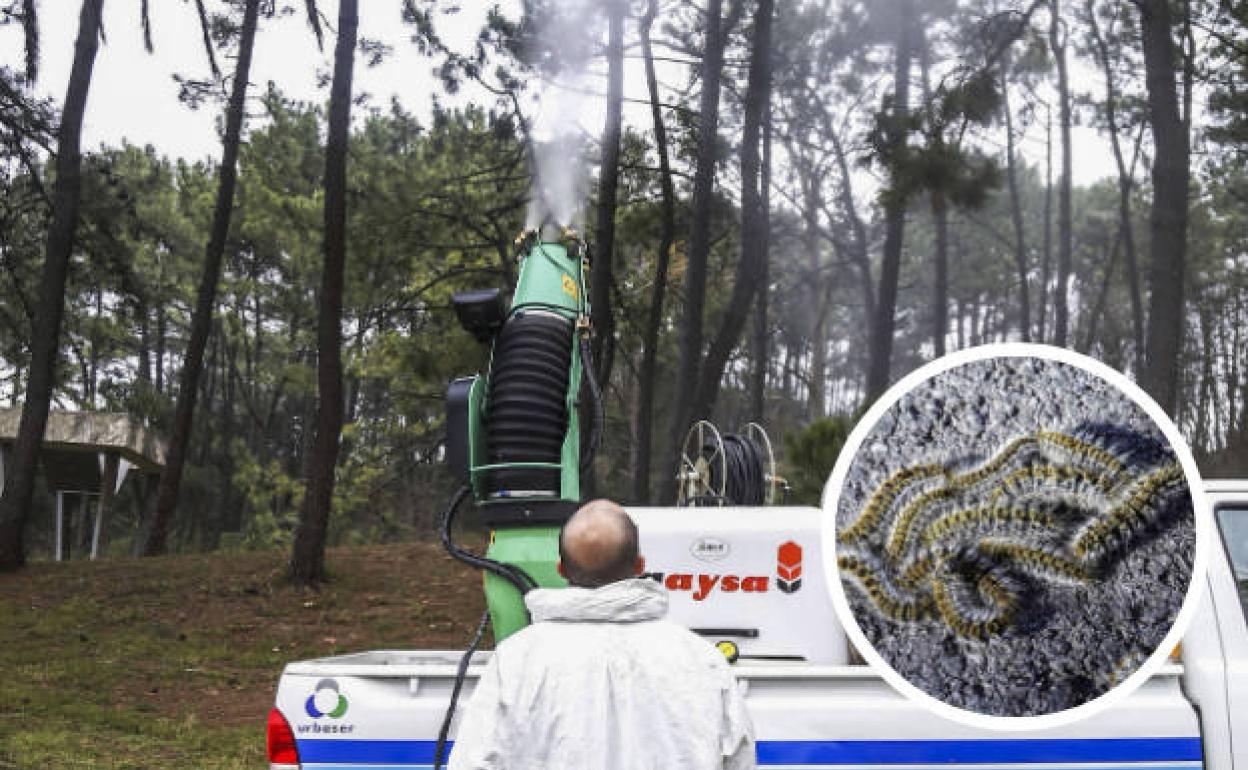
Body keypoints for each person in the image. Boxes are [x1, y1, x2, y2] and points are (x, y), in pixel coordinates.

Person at [448, 499, 756, 770]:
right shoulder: (703, 661)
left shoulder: (516, 660)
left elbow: (472, 762)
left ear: (560, 569)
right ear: (640, 566)